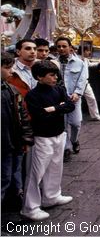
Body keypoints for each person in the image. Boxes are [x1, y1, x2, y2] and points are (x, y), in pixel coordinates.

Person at [22, 60, 75, 221]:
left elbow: (70, 105)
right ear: (39, 77)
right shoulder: (32, 95)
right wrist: (60, 107)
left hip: (58, 134)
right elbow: (40, 115)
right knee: (35, 173)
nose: (55, 77)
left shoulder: (57, 89)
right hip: (42, 137)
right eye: (51, 75)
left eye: (55, 74)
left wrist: (54, 108)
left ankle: (51, 196)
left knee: (55, 167)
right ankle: (30, 208)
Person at [1, 52, 33, 204]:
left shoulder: (10, 89)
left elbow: (22, 114)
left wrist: (25, 137)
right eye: (7, 68)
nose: (11, 72)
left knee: (10, 175)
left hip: (12, 142)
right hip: (5, 145)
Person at [55, 37, 87, 162]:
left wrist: (77, 93)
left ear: (70, 47)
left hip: (73, 98)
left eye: (64, 46)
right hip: (58, 98)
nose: (61, 49)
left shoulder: (80, 62)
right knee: (62, 125)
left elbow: (82, 79)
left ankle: (74, 140)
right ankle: (66, 148)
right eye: (59, 46)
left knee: (76, 122)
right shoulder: (54, 63)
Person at [78, 45, 100, 121]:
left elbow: (90, 65)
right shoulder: (77, 59)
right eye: (88, 50)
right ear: (84, 51)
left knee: (92, 99)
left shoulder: (86, 59)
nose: (89, 52)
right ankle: (78, 117)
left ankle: (95, 116)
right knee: (78, 101)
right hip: (78, 83)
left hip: (86, 83)